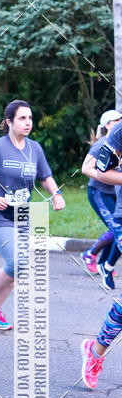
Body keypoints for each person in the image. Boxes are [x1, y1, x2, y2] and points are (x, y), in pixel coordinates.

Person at [0, 99, 65, 329]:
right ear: (9, 122)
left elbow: (45, 176)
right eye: (22, 118)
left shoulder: (35, 149)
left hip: (22, 215)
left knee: (20, 267)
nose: (28, 122)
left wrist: (56, 194)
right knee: (17, 261)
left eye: (30, 118)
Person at [80, 109, 122, 287]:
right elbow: (86, 168)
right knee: (115, 228)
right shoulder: (103, 143)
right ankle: (90, 254)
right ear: (108, 125)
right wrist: (106, 177)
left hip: (112, 192)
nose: (119, 122)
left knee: (116, 229)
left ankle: (105, 264)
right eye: (116, 120)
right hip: (98, 192)